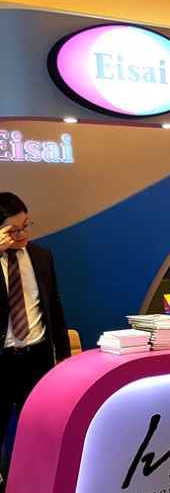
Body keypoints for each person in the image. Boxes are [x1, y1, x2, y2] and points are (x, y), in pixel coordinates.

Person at [0, 192, 71, 473]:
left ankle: (37, 483)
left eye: (26, 225)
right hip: (2, 360)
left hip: (36, 357)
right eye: (13, 230)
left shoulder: (41, 255)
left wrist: (63, 353)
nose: (22, 234)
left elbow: (54, 304)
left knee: (41, 430)